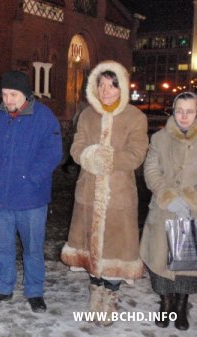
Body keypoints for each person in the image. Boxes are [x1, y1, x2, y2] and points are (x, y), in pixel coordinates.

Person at [60, 60, 149, 326]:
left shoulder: (135, 117)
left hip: (119, 195)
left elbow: (136, 154)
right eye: (101, 85)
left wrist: (108, 159)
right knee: (90, 246)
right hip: (88, 193)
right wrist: (89, 156)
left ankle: (110, 297)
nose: (106, 91)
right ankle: (95, 291)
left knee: (115, 248)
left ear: (121, 87)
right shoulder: (86, 115)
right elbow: (76, 149)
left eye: (112, 85)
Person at [0, 71, 63, 313]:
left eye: (13, 94)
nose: (8, 99)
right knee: (1, 246)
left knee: (33, 248)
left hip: (31, 198)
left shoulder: (43, 117)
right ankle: (3, 287)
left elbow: (53, 152)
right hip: (0, 198)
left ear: (25, 94)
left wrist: (32, 177)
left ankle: (34, 291)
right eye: (4, 94)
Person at [140, 91, 197, 331]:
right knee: (161, 261)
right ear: (173, 111)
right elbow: (151, 170)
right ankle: (165, 303)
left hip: (192, 211)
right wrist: (169, 197)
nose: (184, 116)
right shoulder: (159, 138)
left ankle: (182, 305)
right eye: (179, 110)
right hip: (164, 209)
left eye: (190, 111)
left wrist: (191, 199)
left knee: (186, 264)